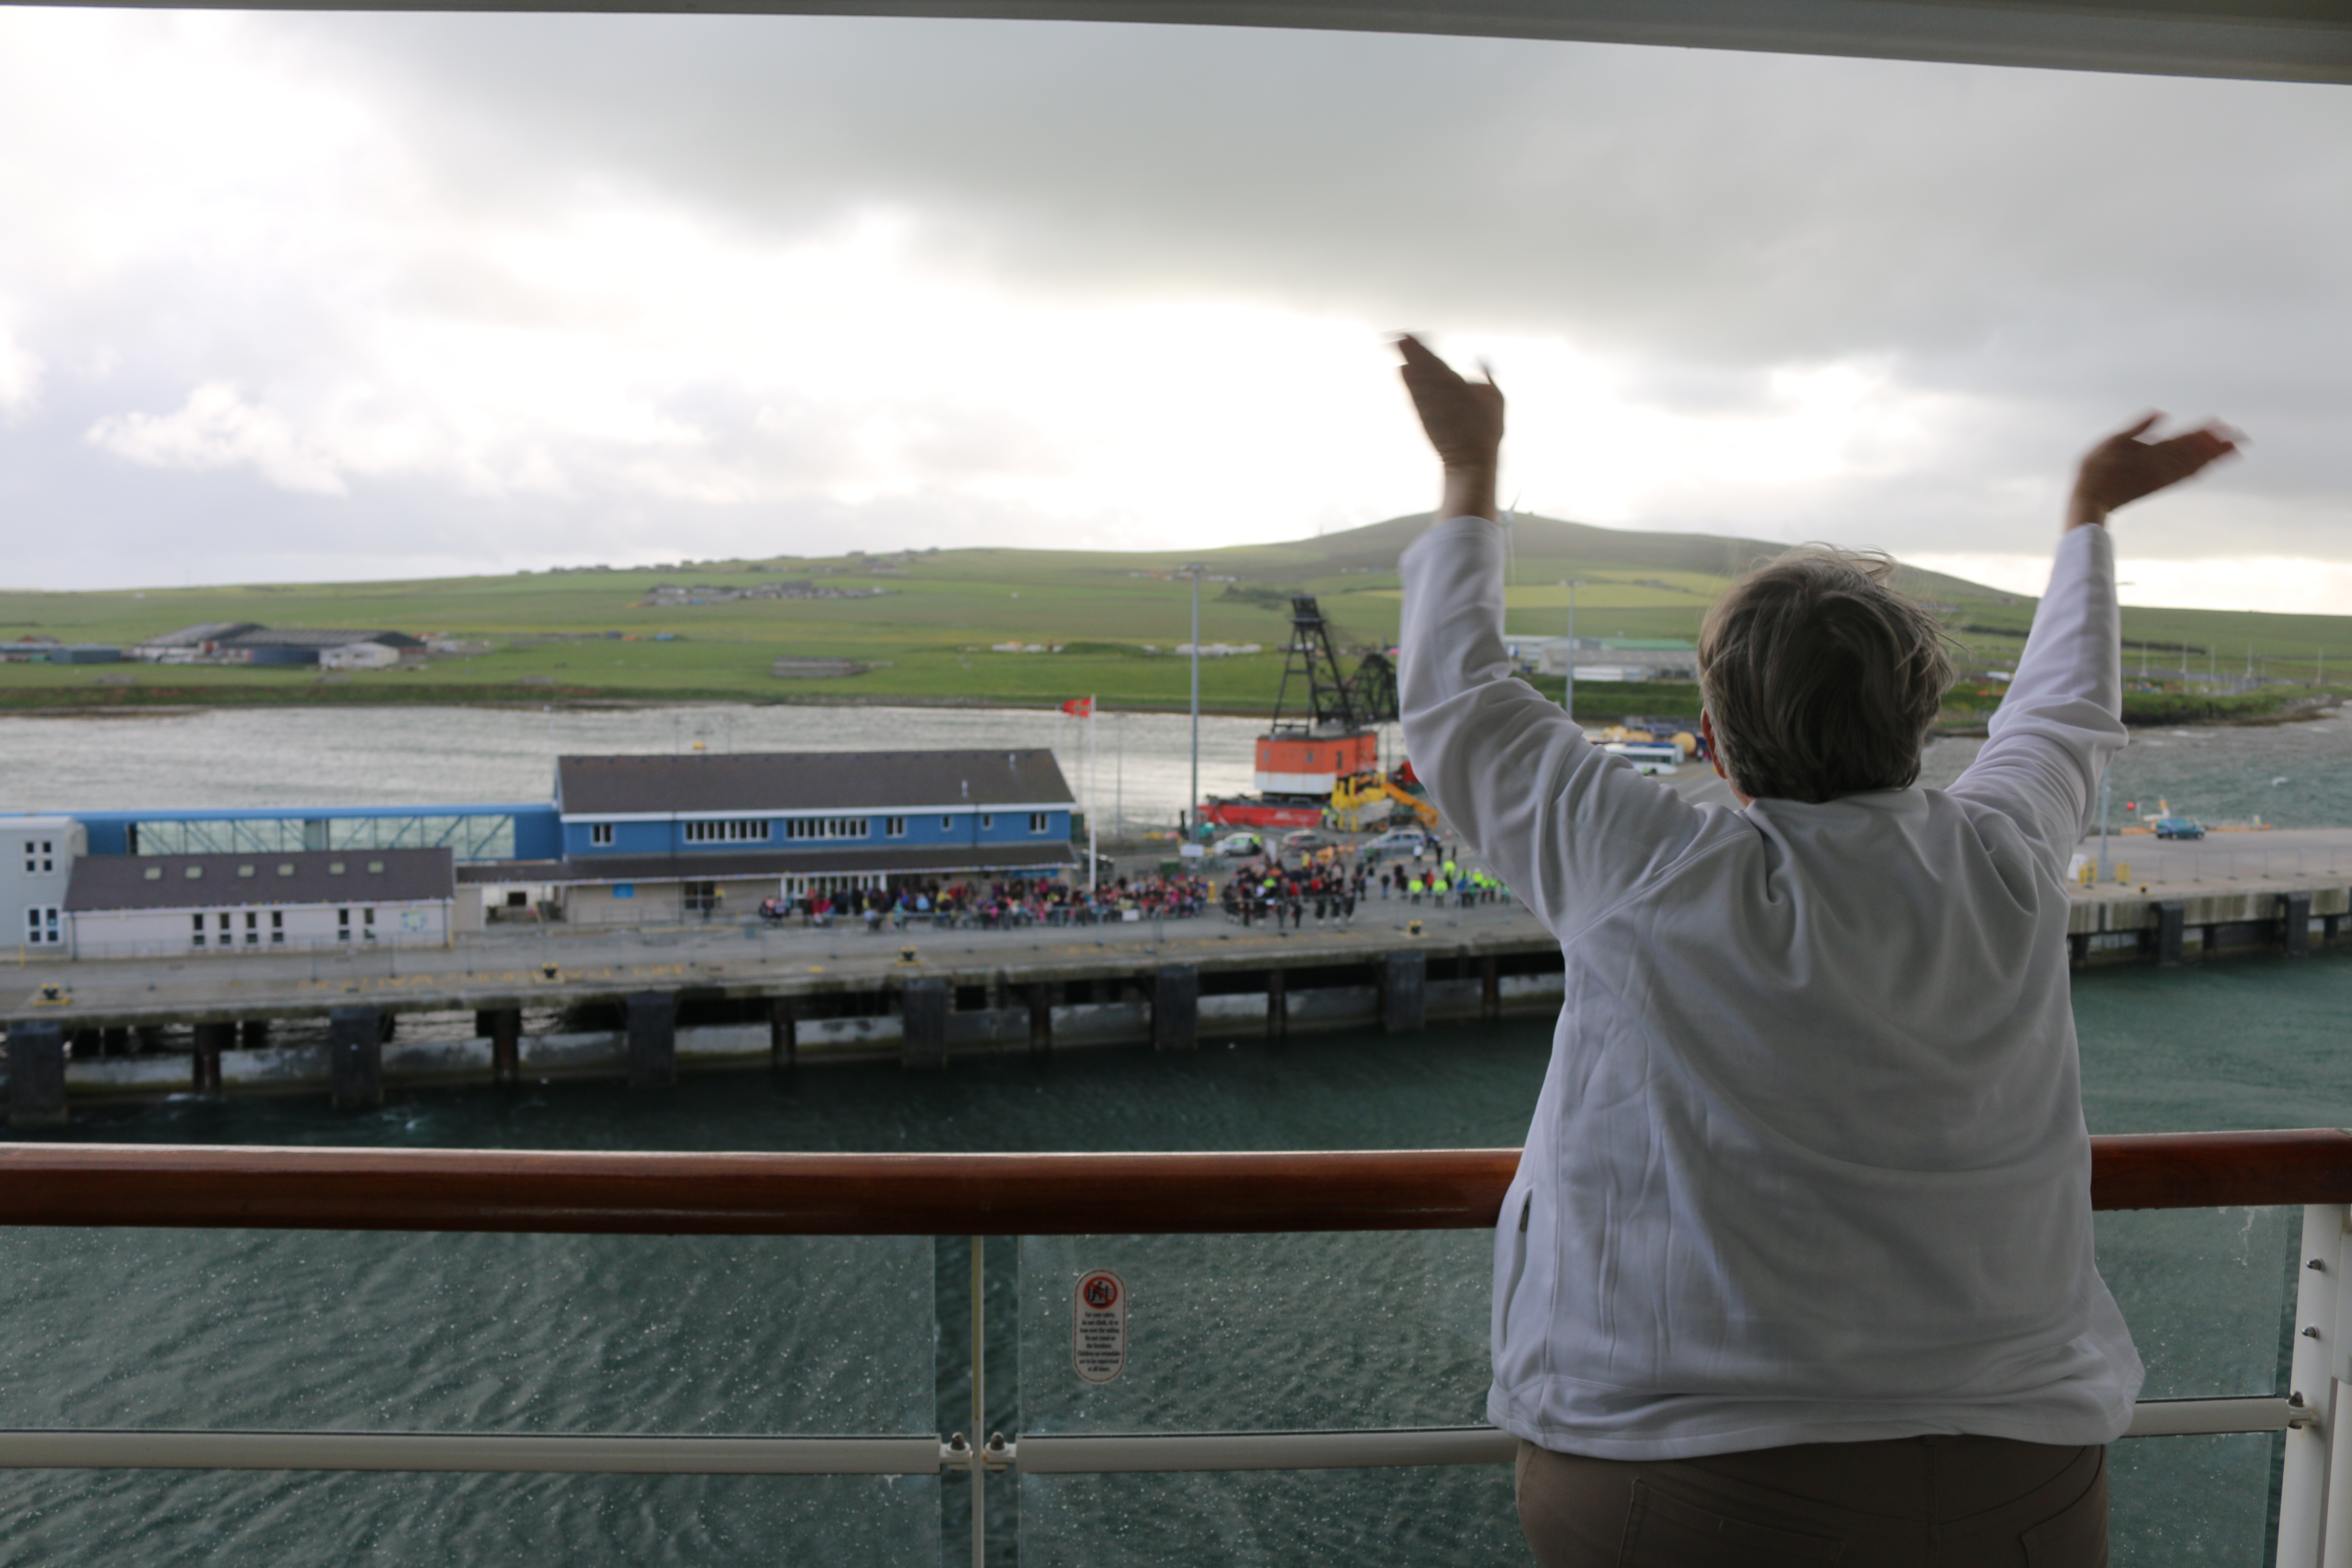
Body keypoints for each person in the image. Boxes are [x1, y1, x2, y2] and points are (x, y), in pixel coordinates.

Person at [1394, 332, 2239, 1568]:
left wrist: (1471, 468)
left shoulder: (1650, 872)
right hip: (2027, 1479)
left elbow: (1458, 700)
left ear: (1713, 741)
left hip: (1693, 1483)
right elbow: (2064, 710)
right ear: (1922, 724)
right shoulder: (2006, 862)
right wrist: (2089, 519)